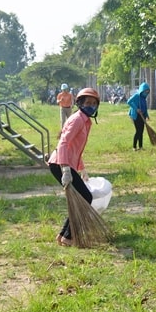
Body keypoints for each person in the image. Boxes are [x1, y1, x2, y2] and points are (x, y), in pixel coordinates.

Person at [48, 88, 101, 246]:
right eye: (87, 103)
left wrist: (82, 168)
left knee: (80, 197)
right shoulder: (78, 119)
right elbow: (63, 143)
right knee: (86, 197)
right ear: (80, 103)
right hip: (60, 164)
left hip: (66, 164)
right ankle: (69, 237)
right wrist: (65, 169)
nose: (91, 106)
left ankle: (63, 236)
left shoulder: (85, 121)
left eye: (94, 103)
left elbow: (75, 149)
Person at [127, 82, 150, 151]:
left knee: (141, 131)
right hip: (136, 116)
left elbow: (145, 108)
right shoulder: (137, 96)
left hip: (142, 116)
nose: (146, 93)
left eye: (148, 92)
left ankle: (140, 146)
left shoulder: (144, 98)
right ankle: (134, 147)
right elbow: (129, 101)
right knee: (138, 131)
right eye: (145, 91)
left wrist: (147, 115)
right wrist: (136, 109)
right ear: (142, 90)